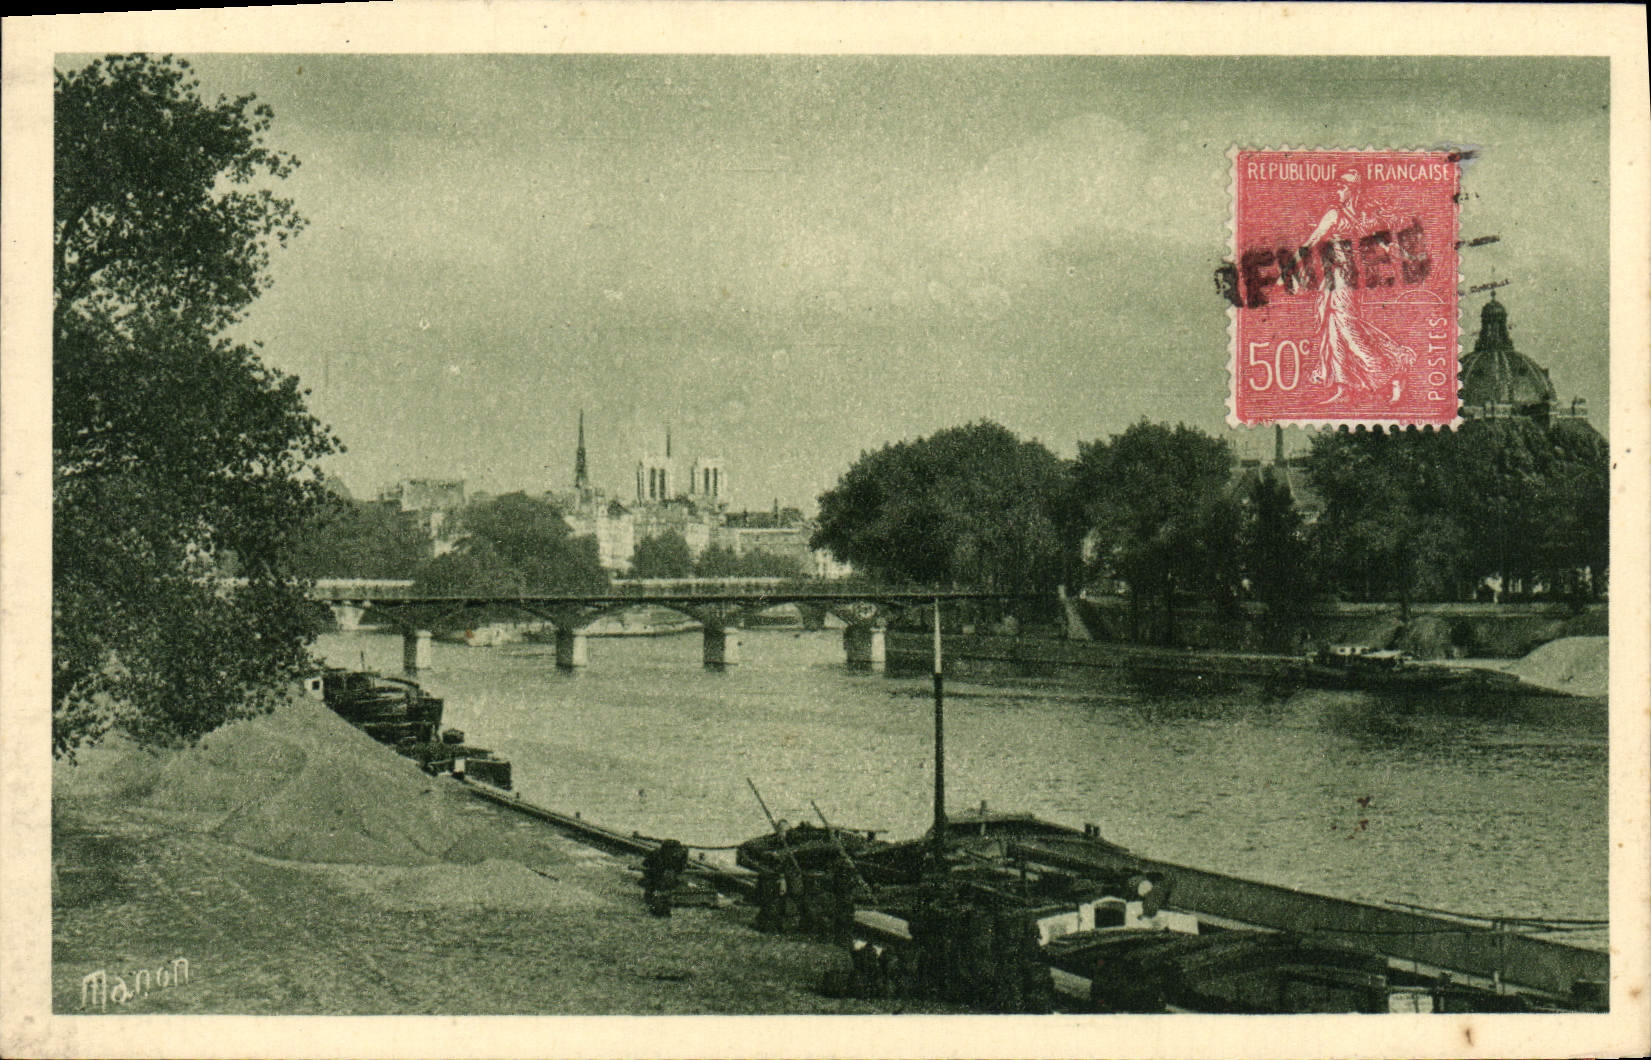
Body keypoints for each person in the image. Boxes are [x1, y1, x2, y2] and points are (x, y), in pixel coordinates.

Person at [1291, 171, 1417, 404]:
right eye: (1337, 186)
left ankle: (1391, 372)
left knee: (1348, 328)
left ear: (1354, 189)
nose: (1337, 190)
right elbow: (1311, 242)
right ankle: (1343, 387)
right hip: (1333, 278)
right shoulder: (1334, 214)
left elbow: (1383, 242)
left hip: (1348, 281)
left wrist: (1403, 255)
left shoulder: (1360, 217)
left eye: (1342, 186)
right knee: (1333, 328)